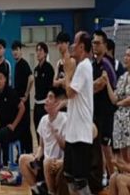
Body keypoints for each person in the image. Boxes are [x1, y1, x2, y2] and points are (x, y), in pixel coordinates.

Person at [62, 31, 94, 195]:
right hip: (73, 133)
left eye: (74, 43)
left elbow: (70, 92)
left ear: (81, 47)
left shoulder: (84, 66)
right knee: (69, 176)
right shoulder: (81, 66)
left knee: (80, 181)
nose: (72, 46)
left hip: (81, 133)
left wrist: (67, 73)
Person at [18, 89, 67, 195]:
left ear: (57, 102)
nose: (46, 100)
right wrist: (37, 156)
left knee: (47, 162)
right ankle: (37, 190)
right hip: (44, 160)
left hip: (57, 161)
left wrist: (56, 133)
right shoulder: (43, 120)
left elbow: (66, 147)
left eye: (50, 97)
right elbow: (41, 146)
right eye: (46, 97)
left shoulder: (64, 119)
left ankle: (51, 192)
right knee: (23, 159)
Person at [93, 29, 118, 183]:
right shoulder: (93, 64)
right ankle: (102, 175)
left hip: (108, 112)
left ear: (104, 45)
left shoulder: (107, 63)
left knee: (106, 147)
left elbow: (99, 85)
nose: (95, 46)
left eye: (97, 43)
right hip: (96, 111)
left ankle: (113, 177)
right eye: (93, 43)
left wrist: (86, 88)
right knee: (98, 146)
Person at [0, 69, 25, 168]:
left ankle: (6, 164)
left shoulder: (11, 92)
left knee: (3, 133)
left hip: (15, 128)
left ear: (5, 79)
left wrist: (14, 125)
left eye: (0, 78)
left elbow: (22, 108)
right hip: (2, 126)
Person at [104, 46, 130, 163]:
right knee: (123, 157)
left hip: (128, 119)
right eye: (125, 55)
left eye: (128, 56)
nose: (126, 58)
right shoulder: (122, 77)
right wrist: (107, 82)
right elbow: (114, 99)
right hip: (120, 120)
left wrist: (120, 103)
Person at [12, 40, 34, 154]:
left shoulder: (24, 64)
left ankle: (29, 153)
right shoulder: (17, 65)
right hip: (18, 102)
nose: (15, 52)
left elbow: (31, 78)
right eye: (13, 50)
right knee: (20, 128)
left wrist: (26, 94)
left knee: (25, 128)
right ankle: (22, 153)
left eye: (17, 49)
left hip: (23, 102)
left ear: (21, 50)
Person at [34, 42, 56, 132]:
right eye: (37, 50)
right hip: (37, 104)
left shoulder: (49, 68)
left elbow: (51, 88)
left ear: (45, 53)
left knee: (46, 131)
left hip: (45, 104)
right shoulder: (36, 70)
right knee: (37, 129)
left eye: (40, 50)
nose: (38, 53)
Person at [54, 31, 75, 107]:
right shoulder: (59, 63)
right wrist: (62, 81)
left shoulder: (72, 61)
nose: (60, 46)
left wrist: (60, 81)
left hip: (69, 100)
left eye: (62, 43)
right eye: (58, 43)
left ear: (67, 43)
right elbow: (54, 82)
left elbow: (71, 81)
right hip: (59, 99)